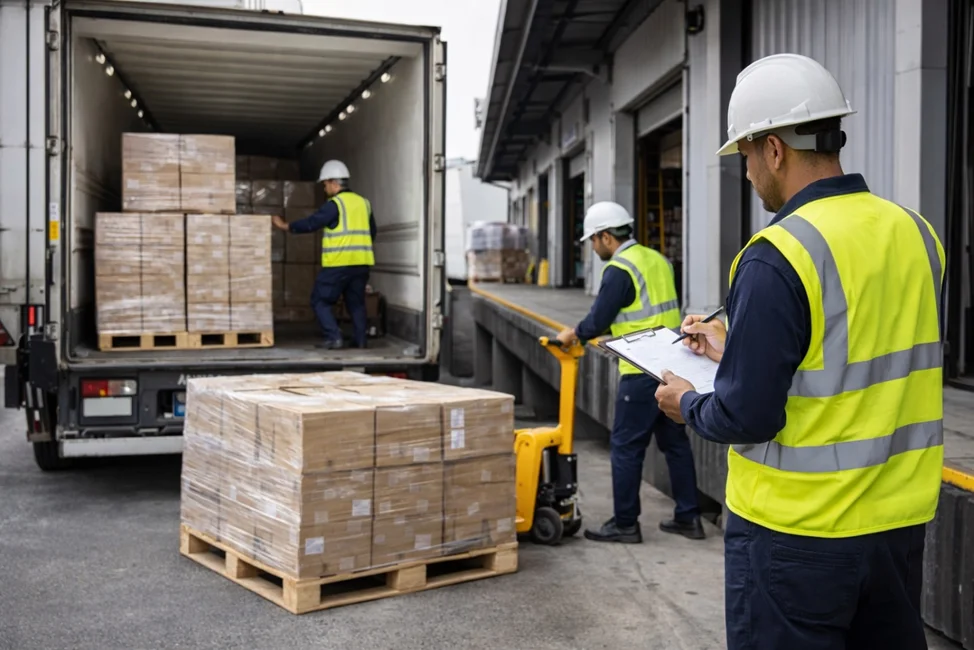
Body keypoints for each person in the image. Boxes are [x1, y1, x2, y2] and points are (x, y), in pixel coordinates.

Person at [654, 53, 945, 649]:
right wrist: (735, 352)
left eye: (745, 155)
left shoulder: (777, 253)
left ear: (774, 149)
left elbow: (747, 417)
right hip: (897, 529)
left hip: (797, 537)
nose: (746, 172)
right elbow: (853, 352)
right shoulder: (917, 233)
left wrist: (687, 403)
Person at [556, 201, 704, 544]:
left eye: (594, 241)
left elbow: (598, 319)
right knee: (675, 444)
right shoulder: (658, 260)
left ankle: (625, 524)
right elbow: (649, 313)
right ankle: (689, 517)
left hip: (640, 370)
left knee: (625, 446)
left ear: (607, 237)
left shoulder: (619, 269)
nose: (593, 248)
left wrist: (573, 334)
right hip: (672, 369)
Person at [273, 160, 377, 350]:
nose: (324, 188)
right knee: (356, 303)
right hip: (361, 264)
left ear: (334, 183)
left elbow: (313, 222)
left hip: (338, 264)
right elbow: (373, 232)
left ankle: (334, 337)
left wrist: (286, 226)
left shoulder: (335, 204)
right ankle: (360, 341)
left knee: (320, 300)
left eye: (325, 184)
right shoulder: (364, 203)